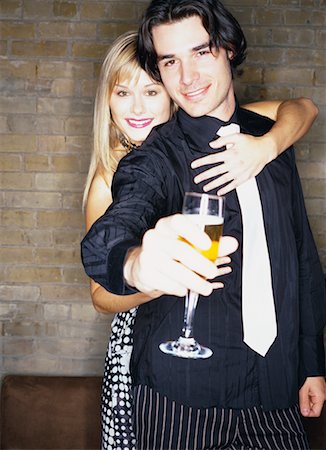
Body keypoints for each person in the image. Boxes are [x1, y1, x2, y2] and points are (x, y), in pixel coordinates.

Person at [82, 17, 324, 450]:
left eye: (150, 91)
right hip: (169, 371)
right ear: (109, 101)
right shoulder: (136, 166)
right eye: (123, 93)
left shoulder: (258, 134)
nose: (138, 107)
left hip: (274, 390)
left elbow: (301, 108)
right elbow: (105, 264)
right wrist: (149, 269)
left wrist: (268, 146)